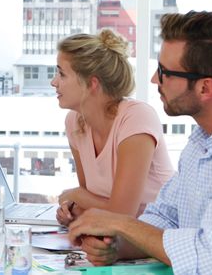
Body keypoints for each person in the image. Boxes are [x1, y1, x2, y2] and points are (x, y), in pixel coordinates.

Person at [68, 11, 212, 273]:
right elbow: (165, 219)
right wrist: (117, 245)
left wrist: (120, 224)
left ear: (205, 88)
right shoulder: (201, 143)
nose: (155, 79)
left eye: (165, 72)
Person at [51, 29, 174, 226]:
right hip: (116, 242)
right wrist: (72, 210)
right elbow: (89, 205)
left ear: (91, 83)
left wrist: (75, 195)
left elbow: (122, 215)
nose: (53, 82)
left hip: (156, 238)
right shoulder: (74, 122)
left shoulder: (136, 118)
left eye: (62, 74)